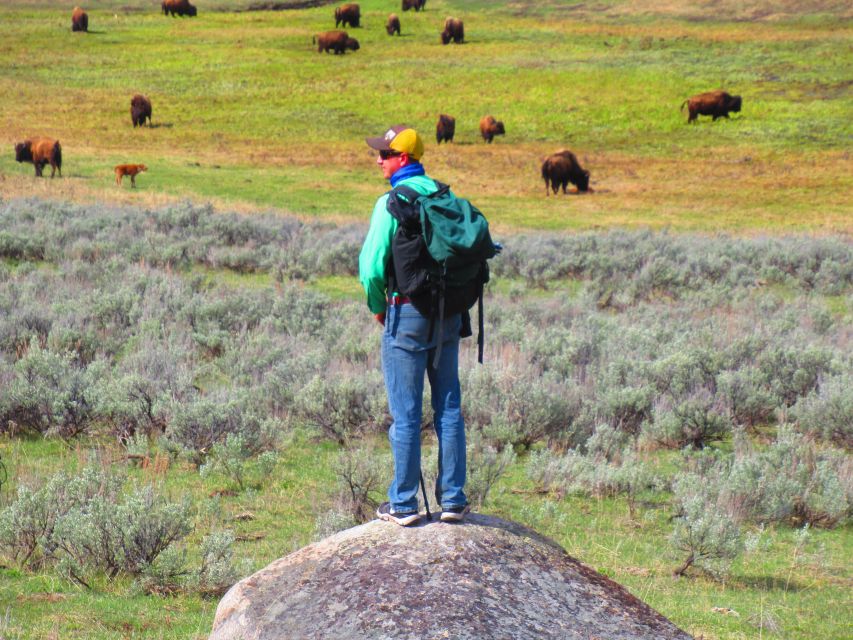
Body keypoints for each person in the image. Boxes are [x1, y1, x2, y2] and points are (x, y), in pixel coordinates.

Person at [359, 124, 470, 526]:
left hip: (404, 313)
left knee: (405, 413)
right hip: (447, 315)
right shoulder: (445, 196)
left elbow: (371, 268)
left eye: (384, 155)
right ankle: (454, 499)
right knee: (449, 408)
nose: (378, 160)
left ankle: (404, 504)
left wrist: (378, 307)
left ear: (402, 159)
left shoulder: (390, 201)